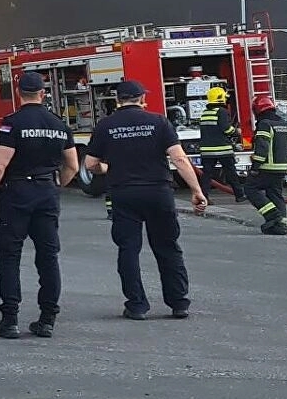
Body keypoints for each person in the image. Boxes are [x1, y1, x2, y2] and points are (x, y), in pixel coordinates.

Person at [83, 76, 206, 318]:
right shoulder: (159, 122)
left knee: (128, 249)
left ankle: (137, 305)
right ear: (143, 99)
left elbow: (90, 164)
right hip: (158, 193)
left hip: (124, 194)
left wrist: (106, 169)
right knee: (168, 247)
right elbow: (179, 159)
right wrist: (196, 190)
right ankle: (178, 302)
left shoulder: (106, 125)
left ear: (117, 101)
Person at [0, 69, 78, 338]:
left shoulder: (12, 123)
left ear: (19, 94)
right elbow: (72, 166)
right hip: (47, 192)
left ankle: (9, 320)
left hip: (17, 193)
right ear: (43, 94)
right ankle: (47, 320)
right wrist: (55, 186)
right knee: (48, 257)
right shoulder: (59, 125)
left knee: (9, 257)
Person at [242, 95, 287, 235]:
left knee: (250, 189)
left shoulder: (265, 124)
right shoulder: (284, 124)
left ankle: (272, 215)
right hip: (281, 167)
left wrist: (255, 167)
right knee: (275, 194)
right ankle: (280, 225)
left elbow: (262, 147)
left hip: (267, 167)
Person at [194, 83, 242, 202]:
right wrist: (237, 132)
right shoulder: (221, 111)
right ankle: (240, 195)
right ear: (221, 98)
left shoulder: (205, 113)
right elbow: (226, 129)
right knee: (231, 173)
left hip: (206, 151)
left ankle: (204, 197)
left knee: (207, 176)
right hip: (223, 150)